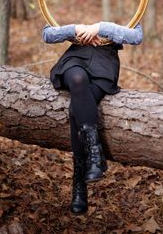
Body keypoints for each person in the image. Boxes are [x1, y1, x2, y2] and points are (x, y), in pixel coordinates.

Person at [42, 21, 143, 214]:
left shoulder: (131, 6)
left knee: (76, 111)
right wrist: (75, 29)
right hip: (76, 58)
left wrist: (100, 28)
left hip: (104, 64)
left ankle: (79, 182)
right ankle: (95, 155)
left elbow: (136, 36)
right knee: (78, 80)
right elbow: (47, 34)